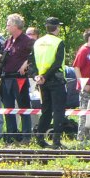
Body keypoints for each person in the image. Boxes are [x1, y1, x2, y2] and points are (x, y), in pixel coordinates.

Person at [29, 17, 67, 148]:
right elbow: (57, 63)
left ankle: (40, 138)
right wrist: (45, 76)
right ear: (57, 28)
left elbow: (32, 62)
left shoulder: (37, 42)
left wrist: (37, 77)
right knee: (58, 111)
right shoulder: (58, 42)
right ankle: (56, 141)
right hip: (55, 79)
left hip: (42, 82)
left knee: (46, 110)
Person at [0, 13, 34, 143]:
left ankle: (26, 136)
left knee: (23, 107)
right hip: (6, 78)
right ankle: (11, 135)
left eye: (8, 24)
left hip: (19, 79)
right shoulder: (8, 41)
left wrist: (26, 63)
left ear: (15, 26)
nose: (6, 27)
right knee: (8, 109)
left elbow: (35, 54)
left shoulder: (27, 40)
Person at [73, 28, 90, 142]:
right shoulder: (83, 50)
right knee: (84, 113)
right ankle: (81, 137)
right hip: (86, 86)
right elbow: (76, 67)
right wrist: (82, 83)